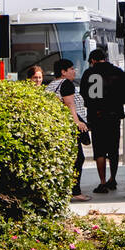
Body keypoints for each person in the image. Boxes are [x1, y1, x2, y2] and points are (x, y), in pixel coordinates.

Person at [81, 48, 125, 194]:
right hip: (113, 116)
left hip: (96, 118)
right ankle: (112, 179)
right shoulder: (117, 72)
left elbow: (84, 94)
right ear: (105, 58)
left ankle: (102, 182)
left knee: (99, 151)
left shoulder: (88, 73)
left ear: (93, 60)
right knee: (113, 149)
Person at [47, 59, 90, 202]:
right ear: (63, 72)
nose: (74, 71)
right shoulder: (66, 84)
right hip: (70, 127)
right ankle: (75, 190)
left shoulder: (52, 85)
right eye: (71, 69)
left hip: (58, 127)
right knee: (78, 158)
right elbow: (70, 104)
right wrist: (77, 122)